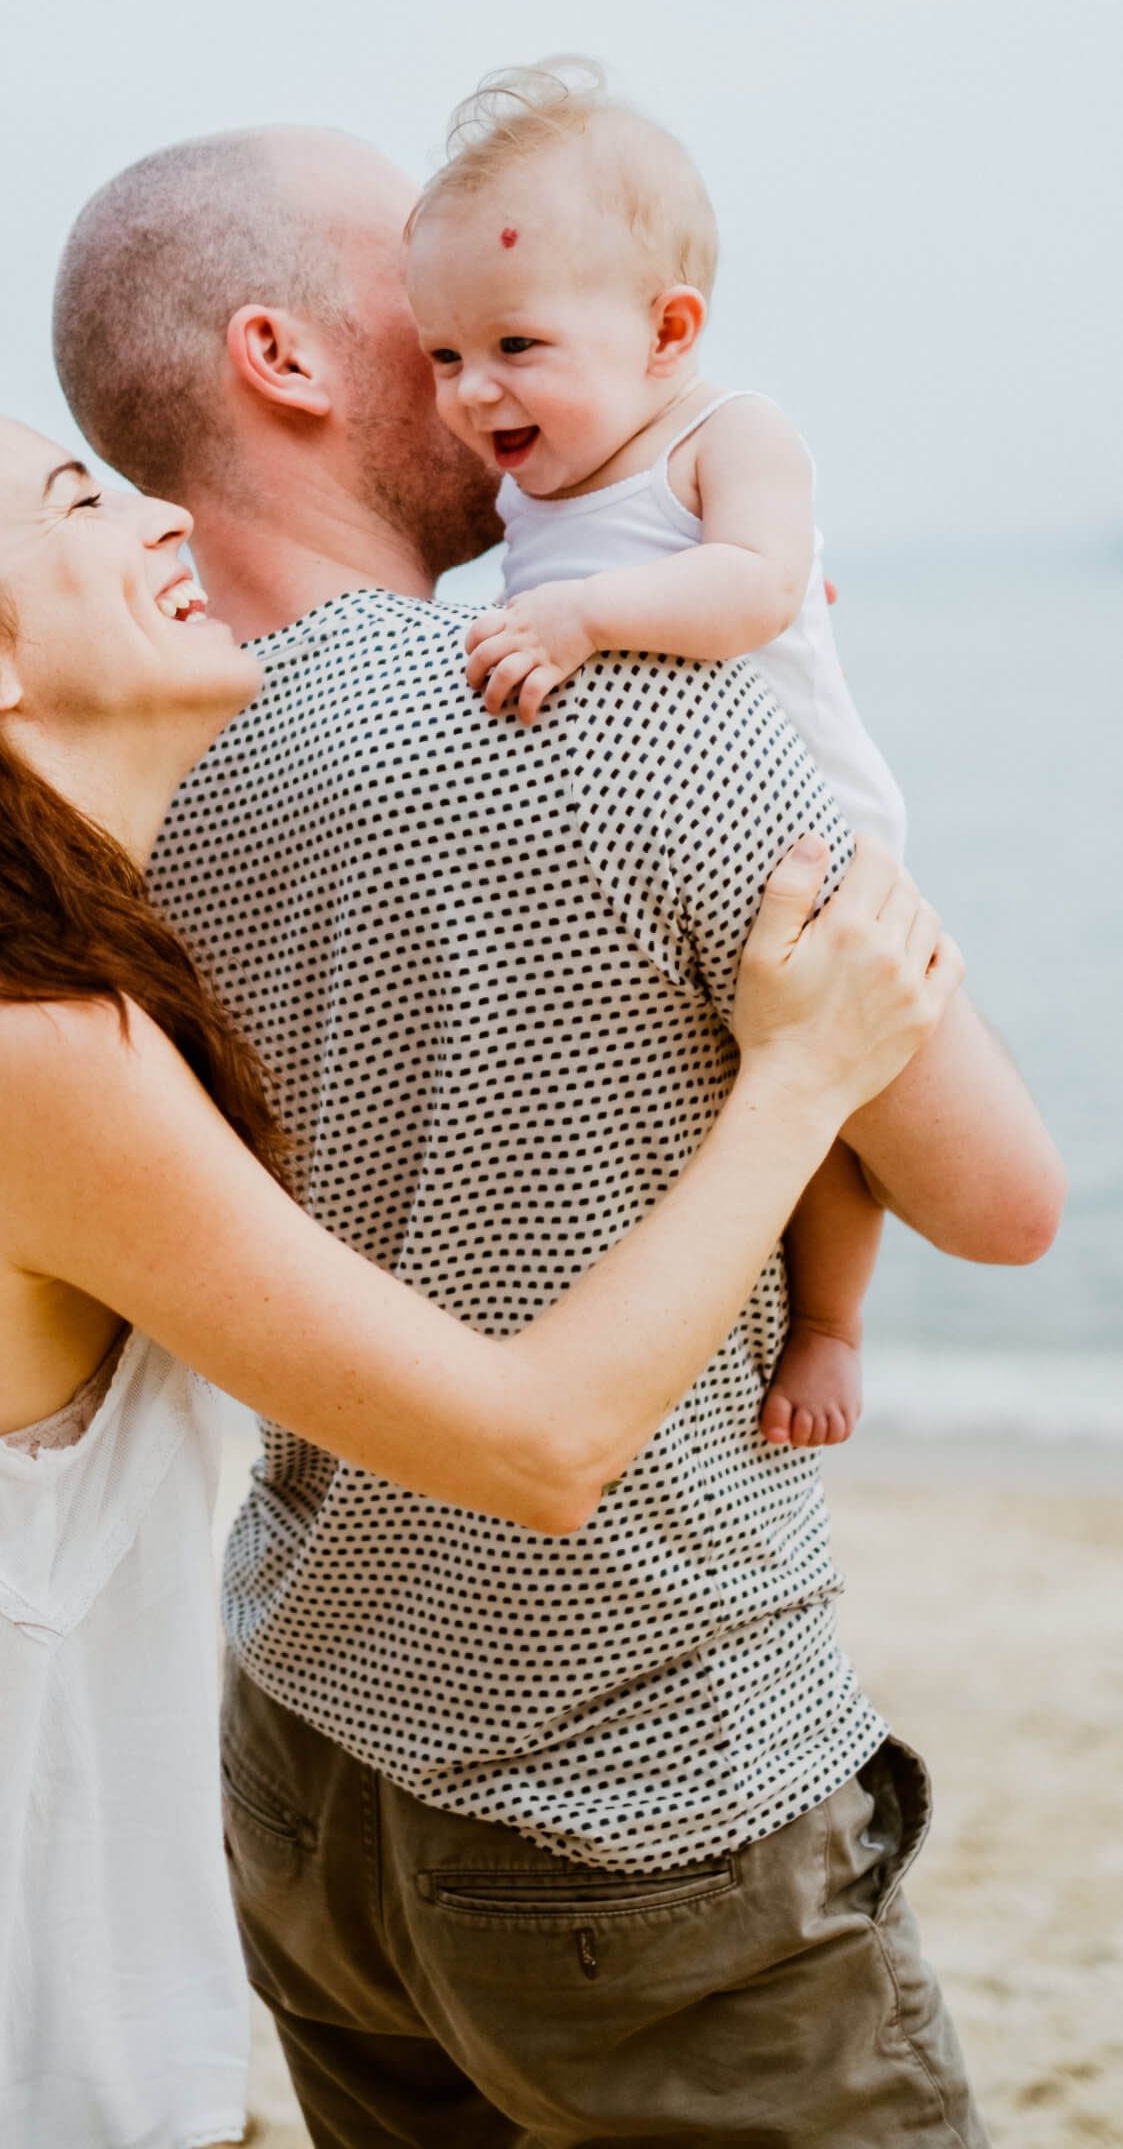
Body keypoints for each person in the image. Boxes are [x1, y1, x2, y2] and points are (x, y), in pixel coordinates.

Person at [0, 395, 950, 2149]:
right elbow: (541, 1443)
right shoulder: (32, 1048)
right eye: (72, 499)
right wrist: (803, 1078)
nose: (158, 510)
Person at [53, 127, 1066, 2149]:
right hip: (645, 1789)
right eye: (415, 312)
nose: (469, 353)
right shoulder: (632, 724)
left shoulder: (109, 802)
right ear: (283, 357)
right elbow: (1003, 1197)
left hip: (306, 1766)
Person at [405, 54, 907, 1450]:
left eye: (514, 347)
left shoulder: (724, 436)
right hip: (671, 878)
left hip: (818, 851)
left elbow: (752, 585)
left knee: (825, 1112)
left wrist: (581, 617)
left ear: (669, 329)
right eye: (444, 356)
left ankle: (831, 1323)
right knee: (715, 1111)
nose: (470, 393)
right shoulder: (535, 495)